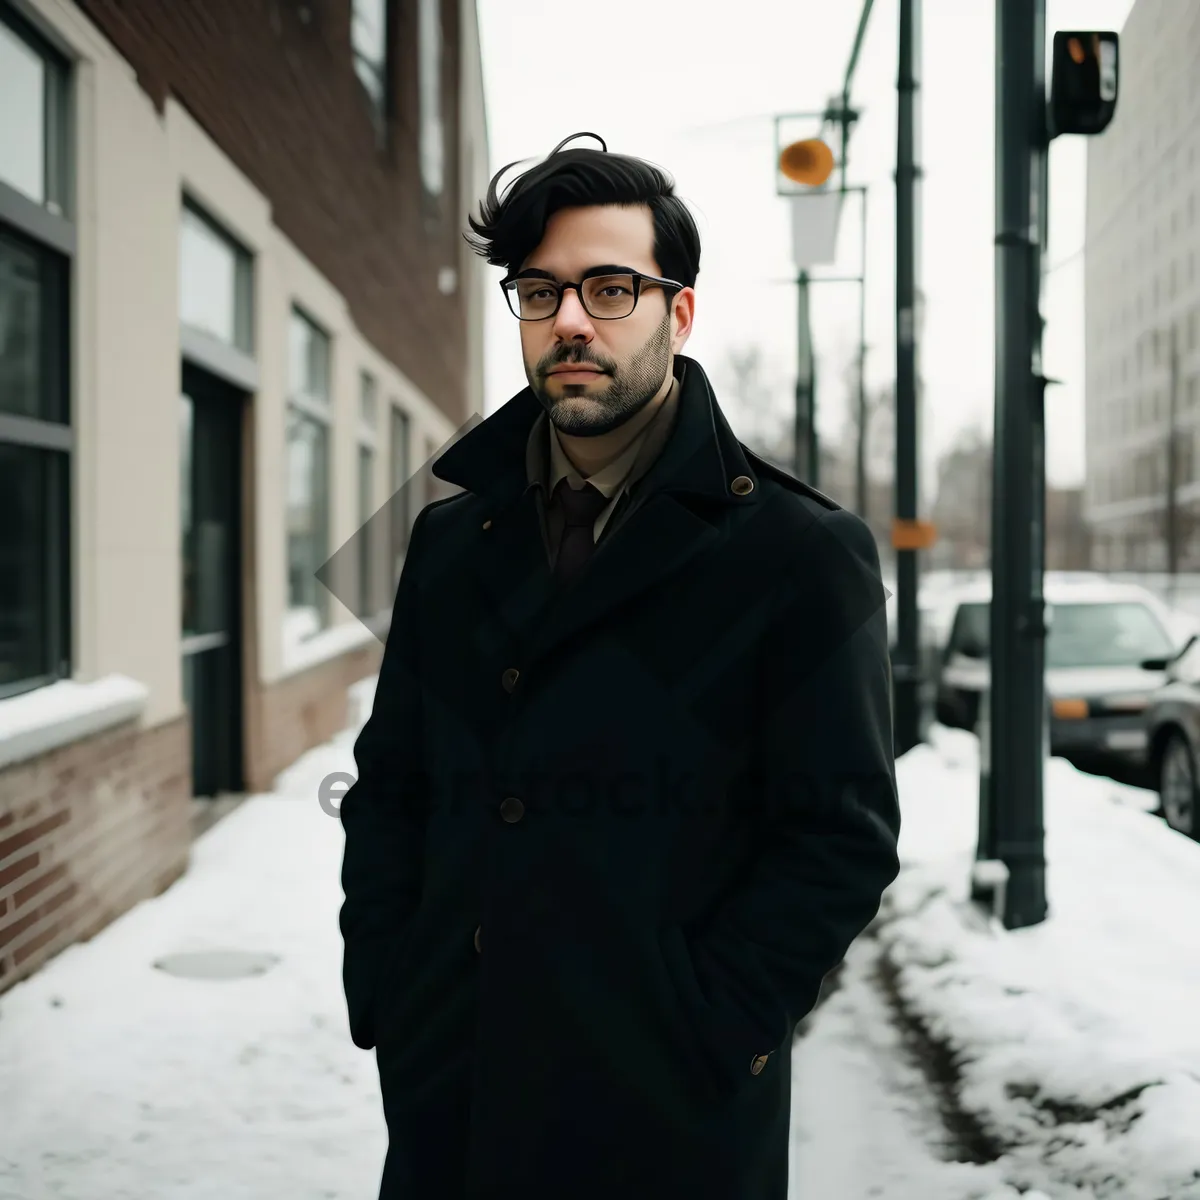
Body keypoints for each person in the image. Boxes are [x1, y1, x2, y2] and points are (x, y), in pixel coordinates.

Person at [339, 132, 901, 1200]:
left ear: (677, 312)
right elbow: (393, 786)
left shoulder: (796, 552)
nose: (571, 322)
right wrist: (386, 982)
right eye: (540, 292)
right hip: (450, 1101)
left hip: (668, 1128)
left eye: (610, 287)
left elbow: (839, 842)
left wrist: (713, 1026)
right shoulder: (452, 542)